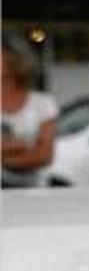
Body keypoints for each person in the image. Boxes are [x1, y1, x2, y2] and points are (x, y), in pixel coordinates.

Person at [1, 36, 58, 188]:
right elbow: (33, 150)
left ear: (13, 59)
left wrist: (5, 158)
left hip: (33, 196)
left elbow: (45, 156)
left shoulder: (42, 103)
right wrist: (21, 147)